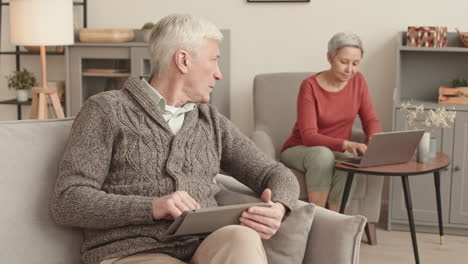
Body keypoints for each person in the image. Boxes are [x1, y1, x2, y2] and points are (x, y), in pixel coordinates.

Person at [50, 14, 299, 264]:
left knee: (242, 238)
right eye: (214, 60)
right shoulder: (106, 110)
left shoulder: (210, 120)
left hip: (204, 247)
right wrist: (152, 207)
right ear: (183, 60)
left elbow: (275, 173)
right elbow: (68, 200)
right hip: (132, 252)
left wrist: (278, 207)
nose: (219, 74)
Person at [280, 32, 381, 212]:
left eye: (355, 63)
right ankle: (315, 217)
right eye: (344, 62)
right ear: (329, 57)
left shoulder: (358, 81)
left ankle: (335, 220)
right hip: (300, 149)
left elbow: (370, 119)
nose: (350, 69)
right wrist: (345, 143)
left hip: (337, 151)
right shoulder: (309, 86)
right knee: (322, 155)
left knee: (350, 161)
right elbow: (309, 136)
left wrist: (375, 139)